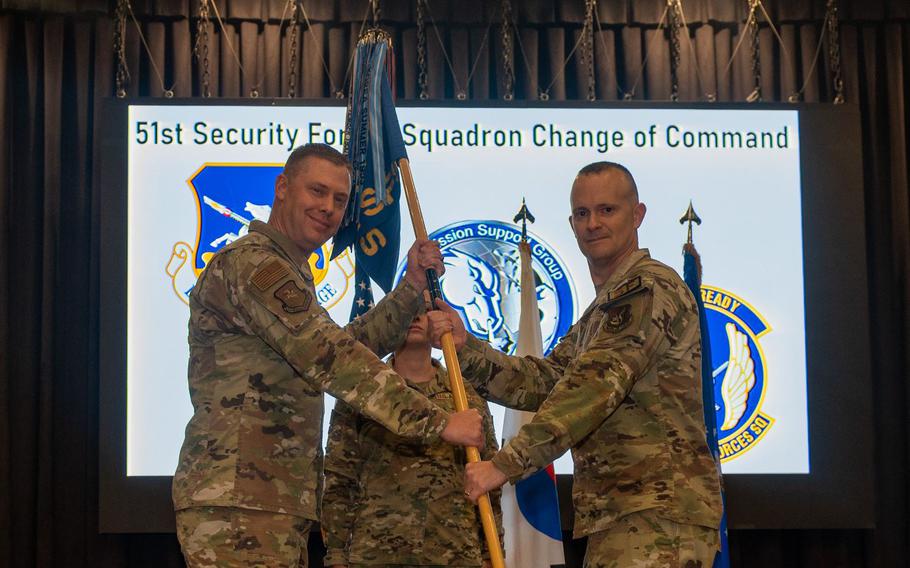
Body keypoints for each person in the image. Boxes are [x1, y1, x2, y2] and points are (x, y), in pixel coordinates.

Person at [173, 143, 484, 568]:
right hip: (239, 500)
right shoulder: (256, 266)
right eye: (317, 192)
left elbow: (342, 345)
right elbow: (334, 359)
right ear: (283, 188)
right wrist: (439, 422)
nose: (329, 208)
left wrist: (412, 288)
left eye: (340, 200)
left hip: (265, 498)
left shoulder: (287, 271)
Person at [428, 162, 723, 567]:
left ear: (637, 215)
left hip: (657, 515)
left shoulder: (649, 288)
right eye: (582, 214)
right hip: (623, 515)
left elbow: (594, 387)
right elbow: (545, 381)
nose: (593, 224)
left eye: (607, 210)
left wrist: (504, 465)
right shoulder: (603, 308)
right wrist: (464, 347)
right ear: (571, 222)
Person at [322, 311, 502, 568]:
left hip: (455, 551)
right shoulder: (361, 392)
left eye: (424, 309)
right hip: (377, 552)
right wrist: (336, 556)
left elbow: (488, 477)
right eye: (409, 307)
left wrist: (491, 553)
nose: (415, 315)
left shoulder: (466, 396)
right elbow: (340, 478)